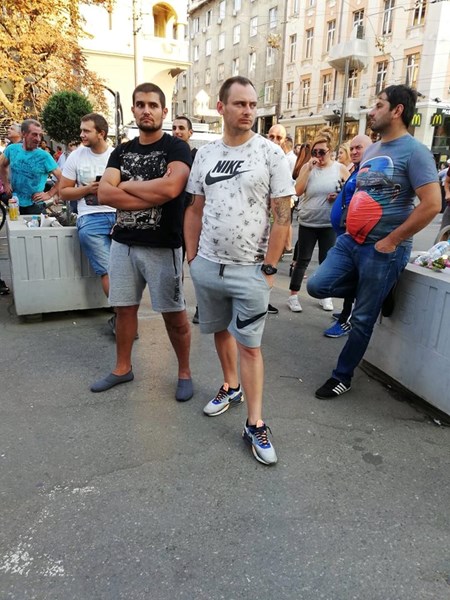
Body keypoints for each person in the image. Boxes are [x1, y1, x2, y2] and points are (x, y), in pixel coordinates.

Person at [184, 76, 294, 465]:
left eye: (252, 104)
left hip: (251, 270)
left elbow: (283, 217)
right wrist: (193, 258)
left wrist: (270, 269)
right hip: (208, 266)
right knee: (219, 331)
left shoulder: (270, 153)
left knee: (250, 345)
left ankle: (254, 422)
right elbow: (194, 210)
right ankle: (230, 386)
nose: (248, 111)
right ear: (221, 107)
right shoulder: (205, 155)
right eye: (240, 104)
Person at [308, 84, 441, 399]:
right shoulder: (372, 149)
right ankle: (379, 290)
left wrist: (392, 240)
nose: (372, 111)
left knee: (363, 317)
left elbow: (433, 204)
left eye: (379, 105)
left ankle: (342, 376)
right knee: (317, 286)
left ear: (397, 110)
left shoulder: (416, 152)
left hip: (383, 249)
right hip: (350, 242)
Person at [90, 82, 194, 403]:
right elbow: (104, 193)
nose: (146, 110)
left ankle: (184, 373)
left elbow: (171, 189)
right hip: (123, 244)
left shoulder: (177, 148)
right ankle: (123, 368)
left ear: (164, 110)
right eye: (140, 104)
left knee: (174, 315)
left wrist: (126, 186)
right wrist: (152, 193)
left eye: (153, 105)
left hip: (163, 246)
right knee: (124, 310)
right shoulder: (121, 151)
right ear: (133, 110)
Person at [287, 128, 349, 313]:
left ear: (330, 151)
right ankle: (293, 295)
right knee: (302, 260)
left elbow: (350, 192)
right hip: (308, 222)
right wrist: (308, 169)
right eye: (314, 152)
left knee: (326, 260)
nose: (318, 156)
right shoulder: (308, 167)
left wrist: (338, 196)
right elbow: (297, 191)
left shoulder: (339, 168)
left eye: (322, 152)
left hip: (329, 223)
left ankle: (325, 295)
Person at [59, 113, 115, 303]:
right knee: (108, 271)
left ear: (101, 133)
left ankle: (124, 315)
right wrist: (87, 189)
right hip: (90, 218)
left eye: (86, 131)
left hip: (119, 216)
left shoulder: (116, 155)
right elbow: (63, 192)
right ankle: (122, 315)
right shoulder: (76, 156)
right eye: (81, 130)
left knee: (126, 270)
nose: (81, 134)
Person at [324, 134, 373, 338]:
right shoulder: (357, 169)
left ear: (370, 149)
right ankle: (346, 312)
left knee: (348, 279)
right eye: (352, 148)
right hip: (346, 235)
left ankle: (347, 319)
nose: (353, 151)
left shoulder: (370, 171)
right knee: (350, 278)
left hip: (356, 238)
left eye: (358, 148)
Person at [171, 115, 201, 324]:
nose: (177, 131)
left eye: (181, 128)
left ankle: (202, 306)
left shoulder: (197, 156)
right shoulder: (167, 154)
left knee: (197, 265)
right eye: (174, 128)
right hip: (173, 218)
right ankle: (178, 304)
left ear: (190, 132)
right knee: (175, 266)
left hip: (194, 218)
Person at [0, 119, 61, 215]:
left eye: (40, 135)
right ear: (24, 134)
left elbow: (63, 178)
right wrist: (6, 184)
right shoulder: (12, 149)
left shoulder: (44, 156)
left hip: (35, 206)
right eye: (34, 134)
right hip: (14, 203)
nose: (38, 139)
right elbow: (2, 165)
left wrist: (49, 194)